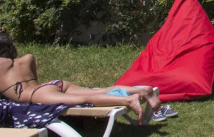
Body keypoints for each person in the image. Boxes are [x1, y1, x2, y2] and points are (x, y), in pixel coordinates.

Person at [0, 28, 159, 126]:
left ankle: (127, 100)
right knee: (97, 91)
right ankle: (143, 91)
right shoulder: (27, 58)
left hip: (36, 94)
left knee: (85, 99)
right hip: (52, 85)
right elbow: (35, 80)